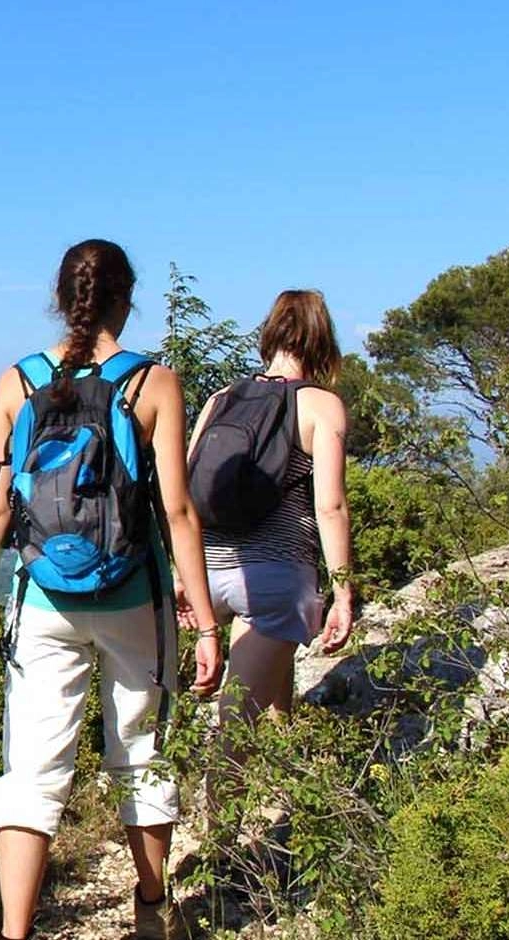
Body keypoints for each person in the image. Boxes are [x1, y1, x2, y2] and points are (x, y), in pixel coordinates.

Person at [0, 238, 223, 940]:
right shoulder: (152, 383)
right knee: (138, 752)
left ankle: (14, 932)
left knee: (31, 771)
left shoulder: (17, 382)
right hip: (133, 596)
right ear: (125, 299)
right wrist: (204, 620)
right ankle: (149, 907)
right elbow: (177, 511)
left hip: (42, 597)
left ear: (61, 296)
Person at [186, 290, 356, 730]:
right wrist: (342, 594)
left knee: (271, 708)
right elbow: (331, 506)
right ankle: (224, 799)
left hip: (209, 573)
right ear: (322, 340)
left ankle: (279, 783)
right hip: (275, 580)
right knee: (233, 728)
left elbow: (184, 495)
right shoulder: (321, 405)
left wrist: (181, 576)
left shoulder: (221, 399)